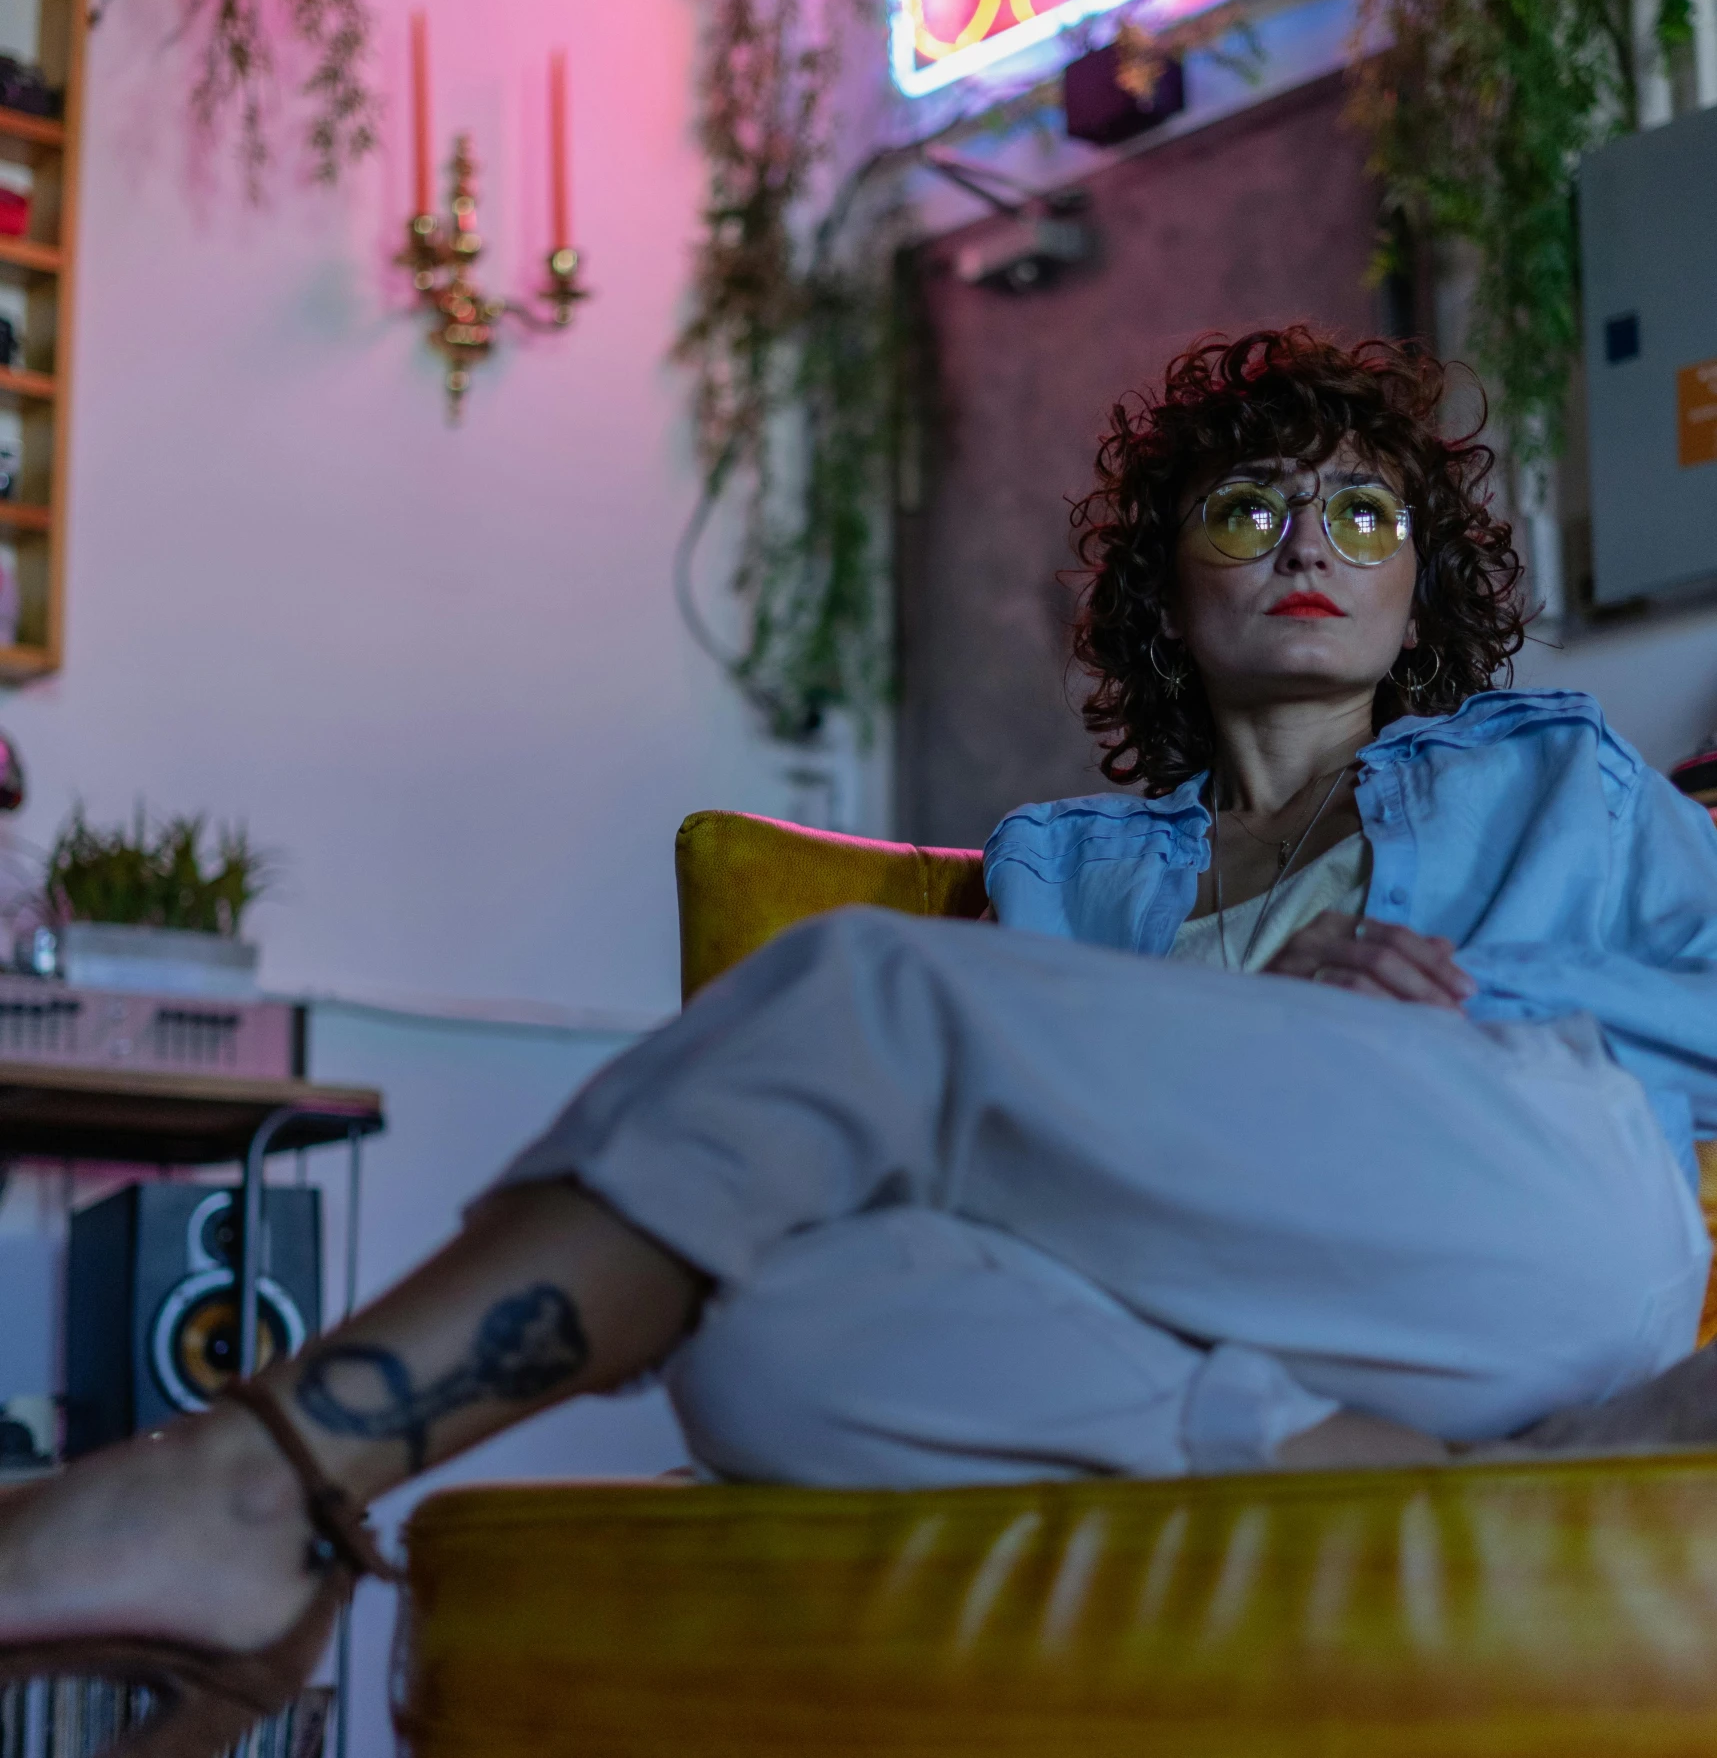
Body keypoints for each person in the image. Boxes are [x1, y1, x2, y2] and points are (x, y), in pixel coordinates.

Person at [6, 325, 1717, 1758]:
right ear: (1162, 586)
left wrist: (1448, 1023)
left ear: (1420, 598)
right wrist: (1242, 1033)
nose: (1306, 543)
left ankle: (256, 1483)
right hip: (1255, 1314)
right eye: (1251, 505)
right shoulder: (1063, 864)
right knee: (762, 1340)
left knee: (861, 999)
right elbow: (1010, 1192)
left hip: (1528, 1206)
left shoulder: (1540, 772)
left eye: (1366, 515)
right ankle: (1406, 1470)